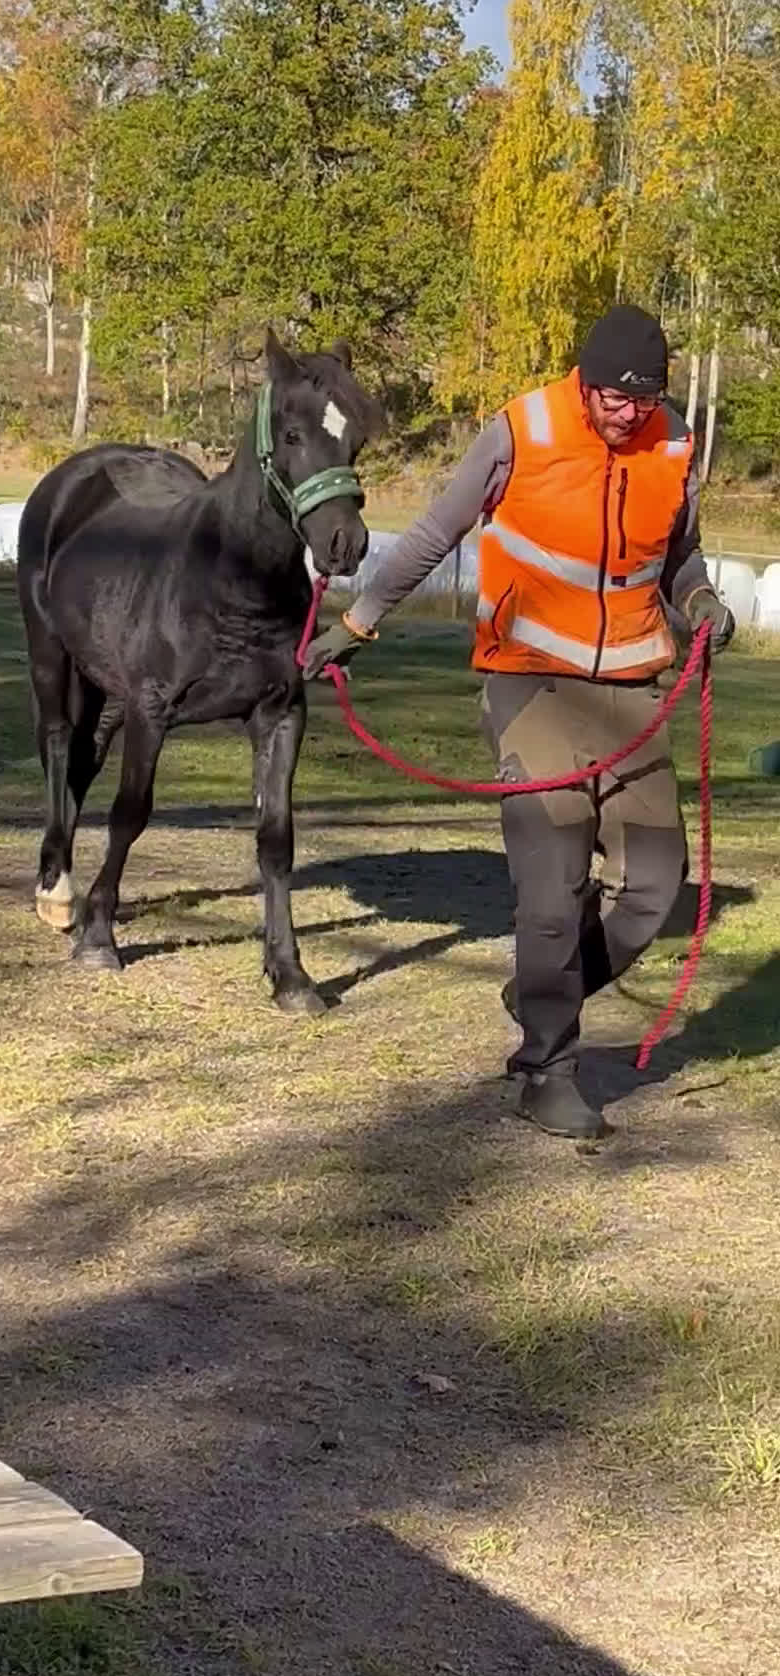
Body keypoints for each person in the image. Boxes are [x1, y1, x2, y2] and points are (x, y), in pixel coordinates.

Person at [303, 305, 734, 1140]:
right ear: (586, 379)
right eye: (612, 396)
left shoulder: (672, 440)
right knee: (552, 885)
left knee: (653, 884)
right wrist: (359, 622)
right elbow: (436, 531)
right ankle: (545, 1067)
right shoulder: (522, 429)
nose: (625, 413)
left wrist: (702, 601)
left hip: (633, 686)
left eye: (641, 400)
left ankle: (549, 989)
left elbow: (678, 551)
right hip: (531, 682)